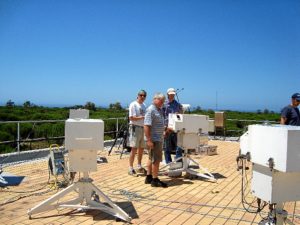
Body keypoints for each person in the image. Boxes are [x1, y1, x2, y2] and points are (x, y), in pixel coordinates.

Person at [144, 93, 168, 187]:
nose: (162, 102)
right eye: (161, 100)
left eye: (163, 101)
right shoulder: (151, 110)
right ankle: (155, 179)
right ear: (155, 99)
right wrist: (149, 140)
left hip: (158, 137)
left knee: (151, 158)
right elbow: (146, 125)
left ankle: (149, 176)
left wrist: (164, 130)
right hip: (154, 139)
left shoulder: (158, 110)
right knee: (156, 160)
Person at [127, 90, 147, 176]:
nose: (142, 97)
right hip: (135, 128)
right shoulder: (133, 104)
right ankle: (130, 168)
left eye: (144, 95)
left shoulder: (144, 105)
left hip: (142, 128)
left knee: (141, 148)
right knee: (134, 148)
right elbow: (131, 118)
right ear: (138, 95)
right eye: (141, 95)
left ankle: (139, 166)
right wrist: (142, 117)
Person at [163, 88, 183, 164]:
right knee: (167, 147)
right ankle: (169, 163)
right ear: (167, 94)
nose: (172, 95)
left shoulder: (177, 104)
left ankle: (178, 162)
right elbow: (162, 115)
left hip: (176, 127)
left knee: (179, 146)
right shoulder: (164, 104)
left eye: (173, 94)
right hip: (167, 127)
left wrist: (179, 112)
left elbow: (181, 115)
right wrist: (164, 128)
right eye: (171, 94)